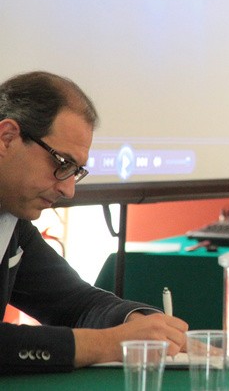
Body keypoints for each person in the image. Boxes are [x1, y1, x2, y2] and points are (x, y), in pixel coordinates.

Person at [0, 71, 188, 374]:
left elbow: (74, 302)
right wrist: (107, 343)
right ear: (7, 138)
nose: (68, 190)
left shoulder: (12, 219)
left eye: (76, 171)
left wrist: (142, 326)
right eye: (62, 164)